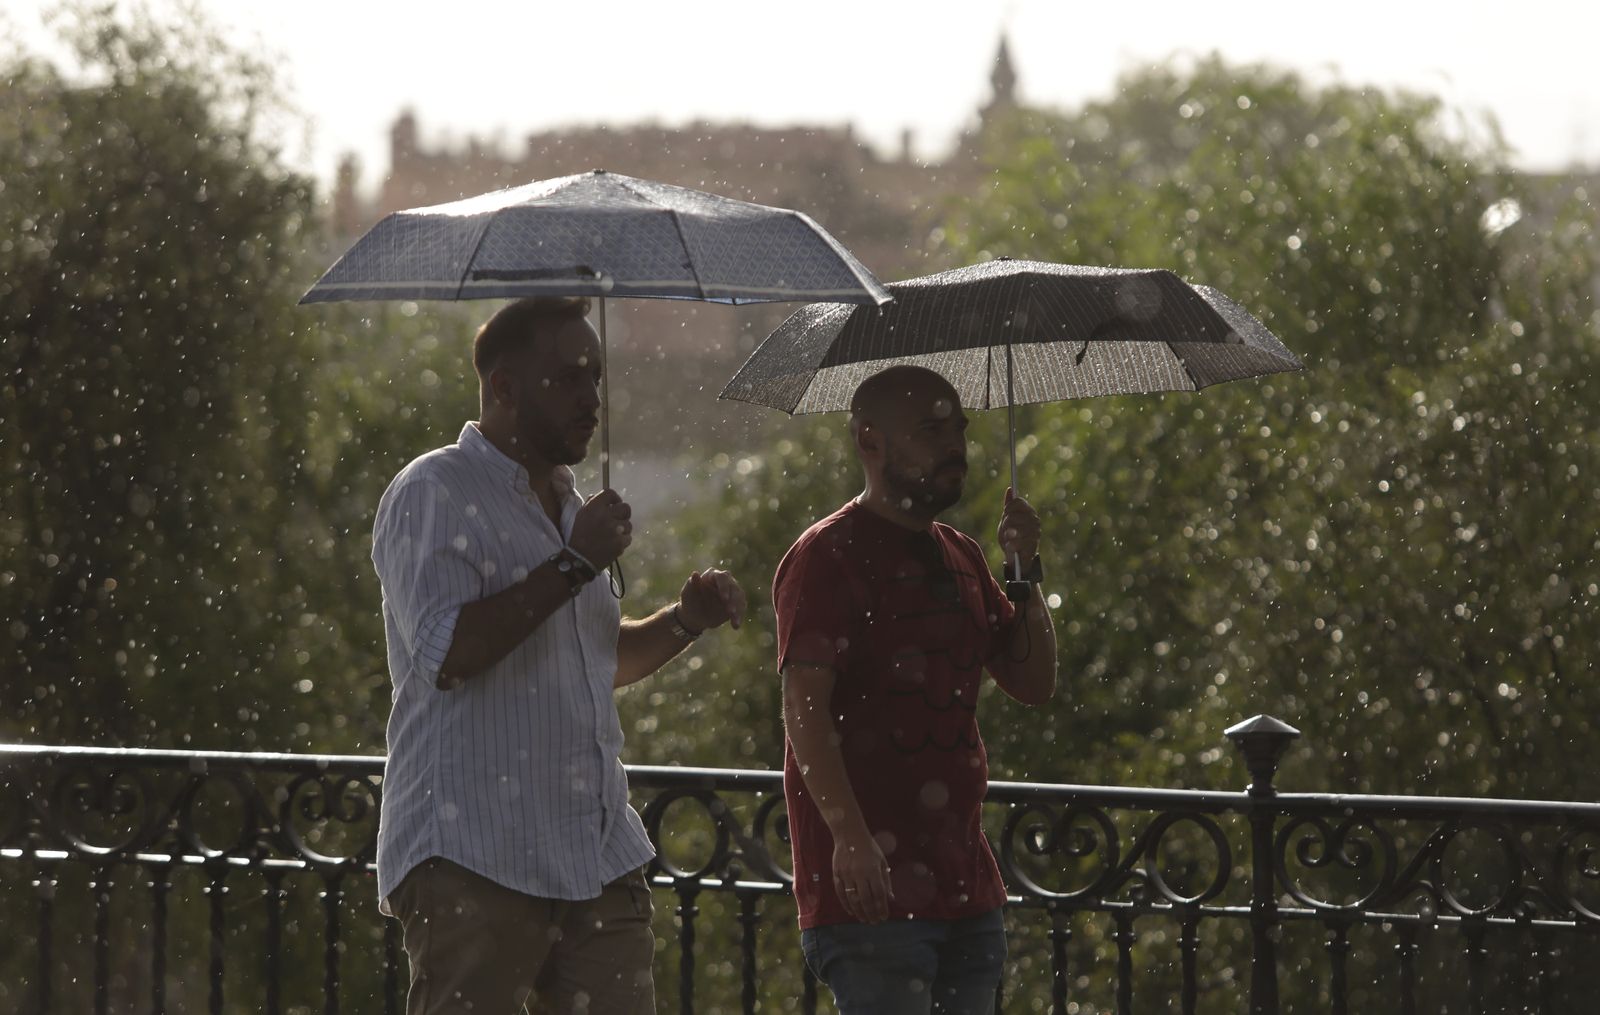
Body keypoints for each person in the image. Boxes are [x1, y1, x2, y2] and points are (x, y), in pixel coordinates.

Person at [370, 296, 745, 1015]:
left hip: (594, 854)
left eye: (595, 376)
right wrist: (574, 563)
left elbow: (596, 661)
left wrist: (683, 621)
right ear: (504, 387)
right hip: (476, 853)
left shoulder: (573, 507)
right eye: (568, 378)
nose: (591, 397)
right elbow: (447, 652)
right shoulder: (433, 490)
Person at [773, 365, 1058, 1014]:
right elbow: (804, 708)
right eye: (931, 431)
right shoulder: (827, 556)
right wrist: (849, 836)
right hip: (871, 897)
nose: (955, 445)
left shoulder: (962, 554)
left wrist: (1025, 570)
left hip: (967, 889)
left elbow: (1034, 681)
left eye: (959, 429)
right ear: (869, 440)